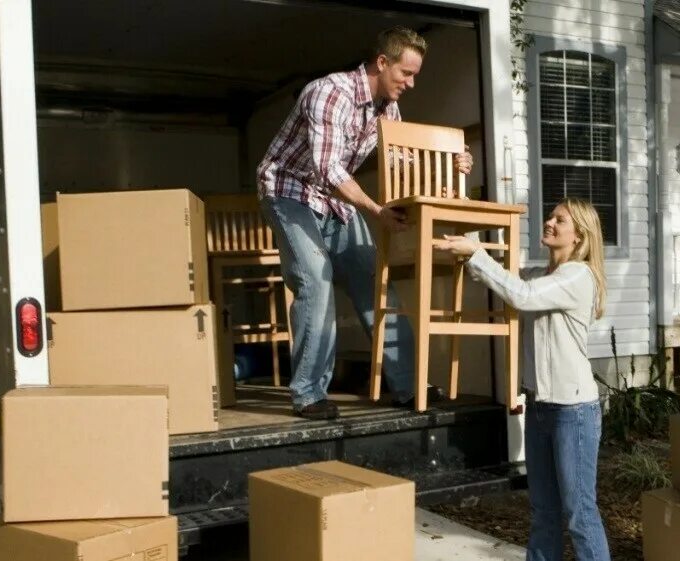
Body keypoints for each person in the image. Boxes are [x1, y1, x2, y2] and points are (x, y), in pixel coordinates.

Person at [256, 26, 472, 420]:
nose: (410, 83)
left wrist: (451, 168)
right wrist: (375, 211)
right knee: (315, 279)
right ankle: (308, 394)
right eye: (405, 73)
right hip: (289, 192)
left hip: (332, 201)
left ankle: (408, 386)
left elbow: (400, 160)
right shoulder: (328, 92)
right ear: (382, 62)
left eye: (415, 76)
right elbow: (327, 169)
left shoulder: (387, 109)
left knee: (377, 282)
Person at [434, 197, 612, 561]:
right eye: (550, 217)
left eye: (559, 220)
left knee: (579, 513)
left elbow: (522, 296)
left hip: (573, 411)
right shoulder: (540, 274)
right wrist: (469, 242)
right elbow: (508, 281)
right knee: (543, 511)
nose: (549, 222)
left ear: (578, 236)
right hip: (541, 406)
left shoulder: (577, 276)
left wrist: (477, 253)